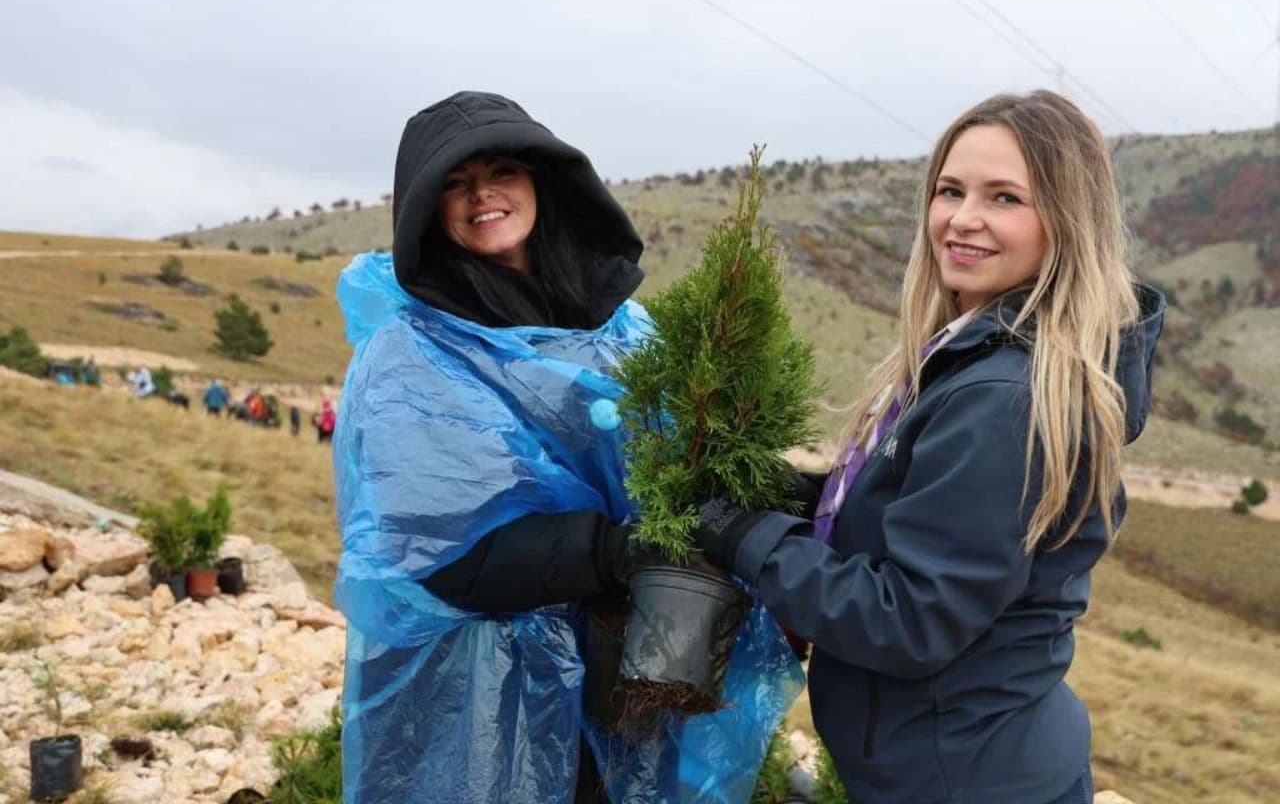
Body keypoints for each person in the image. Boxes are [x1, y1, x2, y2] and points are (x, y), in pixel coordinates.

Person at [691, 91, 1166, 804]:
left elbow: (909, 620)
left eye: (1005, 197)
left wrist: (747, 536)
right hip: (970, 764)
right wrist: (789, 494)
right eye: (951, 190)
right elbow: (920, 513)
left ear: (1066, 222)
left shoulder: (1004, 398)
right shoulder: (974, 360)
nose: (963, 218)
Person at [332, 91, 798, 804]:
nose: (483, 195)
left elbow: (683, 460)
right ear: (426, 206)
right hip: (476, 690)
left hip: (623, 666)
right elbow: (438, 552)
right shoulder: (410, 353)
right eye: (456, 183)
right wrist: (613, 551)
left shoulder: (622, 329)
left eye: (502, 172)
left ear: (543, 182)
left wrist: (789, 489)